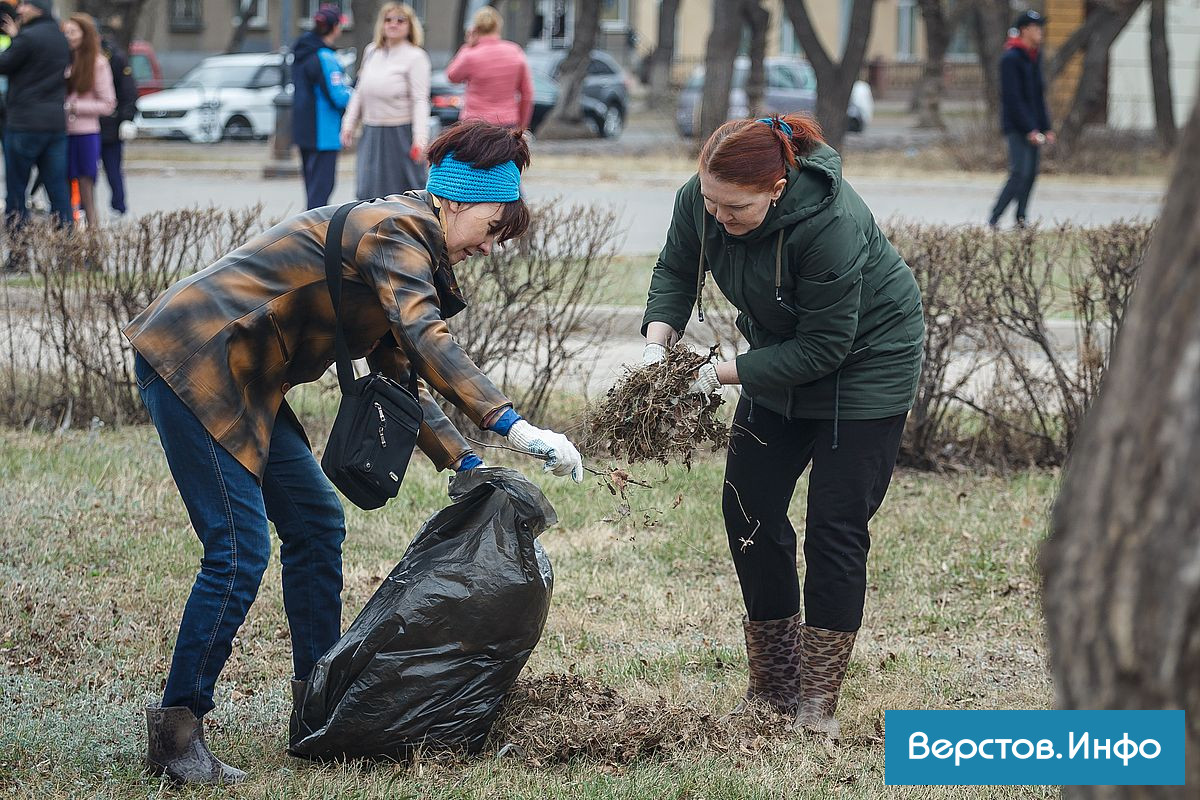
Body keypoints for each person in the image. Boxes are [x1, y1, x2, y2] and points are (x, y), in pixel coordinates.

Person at [125, 120, 584, 785]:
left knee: (316, 521)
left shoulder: (406, 243)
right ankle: (176, 733)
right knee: (237, 550)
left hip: (249, 378)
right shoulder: (393, 233)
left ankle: (317, 705)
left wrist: (468, 462)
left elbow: (401, 375)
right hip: (194, 359)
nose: (490, 246)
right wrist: (511, 423)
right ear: (456, 199)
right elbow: (427, 336)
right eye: (492, 226)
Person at [641, 114, 924, 738]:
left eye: (734, 207)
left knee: (834, 525)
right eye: (710, 201)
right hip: (776, 356)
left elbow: (825, 348)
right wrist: (659, 335)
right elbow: (676, 267)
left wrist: (724, 373)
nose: (718, 216)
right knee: (748, 504)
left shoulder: (831, 224)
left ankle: (817, 700)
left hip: (865, 367)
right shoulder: (705, 197)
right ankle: (773, 682)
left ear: (777, 186)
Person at [340, 2, 430, 200]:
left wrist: (420, 138)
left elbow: (420, 100)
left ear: (410, 26)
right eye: (388, 20)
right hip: (371, 131)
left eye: (400, 20)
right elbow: (359, 92)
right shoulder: (372, 51)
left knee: (404, 191)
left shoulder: (416, 57)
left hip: (400, 133)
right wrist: (348, 124)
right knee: (368, 190)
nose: (393, 24)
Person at [0, 0, 71, 230]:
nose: (19, 10)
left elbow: (4, 63)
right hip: (54, 125)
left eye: (24, 6)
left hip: (24, 124)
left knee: (17, 191)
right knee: (58, 191)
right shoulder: (60, 37)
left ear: (37, 8)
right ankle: (68, 251)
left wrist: (14, 38)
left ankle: (19, 253)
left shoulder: (28, 37)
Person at [988, 10, 1054, 229]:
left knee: (1031, 174)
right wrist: (1030, 129)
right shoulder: (1011, 58)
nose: (1040, 33)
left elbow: (1038, 97)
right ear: (1024, 30)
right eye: (1036, 28)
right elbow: (1013, 99)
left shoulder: (1034, 56)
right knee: (1019, 173)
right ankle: (995, 218)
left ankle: (1021, 218)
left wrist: (1046, 127)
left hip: (1034, 126)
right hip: (1017, 127)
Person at [292, 4, 351, 209]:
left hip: (304, 129)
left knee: (311, 190)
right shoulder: (325, 57)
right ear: (335, 27)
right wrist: (357, 95)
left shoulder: (302, 52)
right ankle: (314, 237)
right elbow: (339, 96)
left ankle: (308, 234)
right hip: (323, 132)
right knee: (321, 191)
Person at [62, 13, 114, 228]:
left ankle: (92, 242)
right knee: (63, 189)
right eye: (66, 33)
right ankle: (68, 236)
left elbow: (108, 104)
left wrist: (73, 107)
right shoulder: (64, 59)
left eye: (73, 32)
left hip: (86, 133)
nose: (69, 37)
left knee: (86, 189)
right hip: (62, 133)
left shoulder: (98, 63)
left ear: (85, 34)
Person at [445, 5, 532, 131]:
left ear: (476, 28)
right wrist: (522, 125)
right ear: (498, 26)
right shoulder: (515, 51)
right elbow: (527, 93)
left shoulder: (470, 55)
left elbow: (452, 76)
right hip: (507, 122)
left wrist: (467, 47)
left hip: (474, 124)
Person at [98, 26, 137, 217]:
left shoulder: (115, 57)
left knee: (113, 169)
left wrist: (127, 119)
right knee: (84, 172)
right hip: (85, 125)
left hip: (111, 125)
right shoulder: (77, 55)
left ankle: (119, 207)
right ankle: (80, 207)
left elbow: (128, 90)